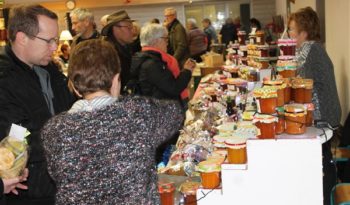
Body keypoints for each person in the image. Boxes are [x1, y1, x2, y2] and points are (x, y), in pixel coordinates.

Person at [41, 39, 185, 204]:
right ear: (117, 81)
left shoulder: (52, 130)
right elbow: (176, 112)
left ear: (74, 86)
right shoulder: (140, 114)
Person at [0, 4, 75, 205]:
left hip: (59, 183)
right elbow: (17, 137)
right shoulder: (5, 79)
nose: (54, 47)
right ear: (22, 38)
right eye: (48, 40)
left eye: (55, 40)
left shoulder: (49, 71)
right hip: (29, 192)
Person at [288, 7, 341, 205]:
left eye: (292, 30)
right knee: (322, 155)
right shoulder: (310, 49)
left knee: (321, 157)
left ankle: (325, 195)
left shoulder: (310, 49)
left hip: (323, 115)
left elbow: (301, 81)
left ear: (304, 32)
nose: (290, 34)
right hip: (323, 112)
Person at [130, 23, 195, 163]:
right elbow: (173, 87)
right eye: (166, 39)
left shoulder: (150, 60)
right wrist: (187, 71)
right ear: (157, 40)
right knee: (163, 155)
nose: (167, 42)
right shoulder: (152, 64)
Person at [102, 10, 134, 94]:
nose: (132, 31)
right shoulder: (108, 53)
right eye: (129, 28)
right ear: (115, 29)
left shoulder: (125, 48)